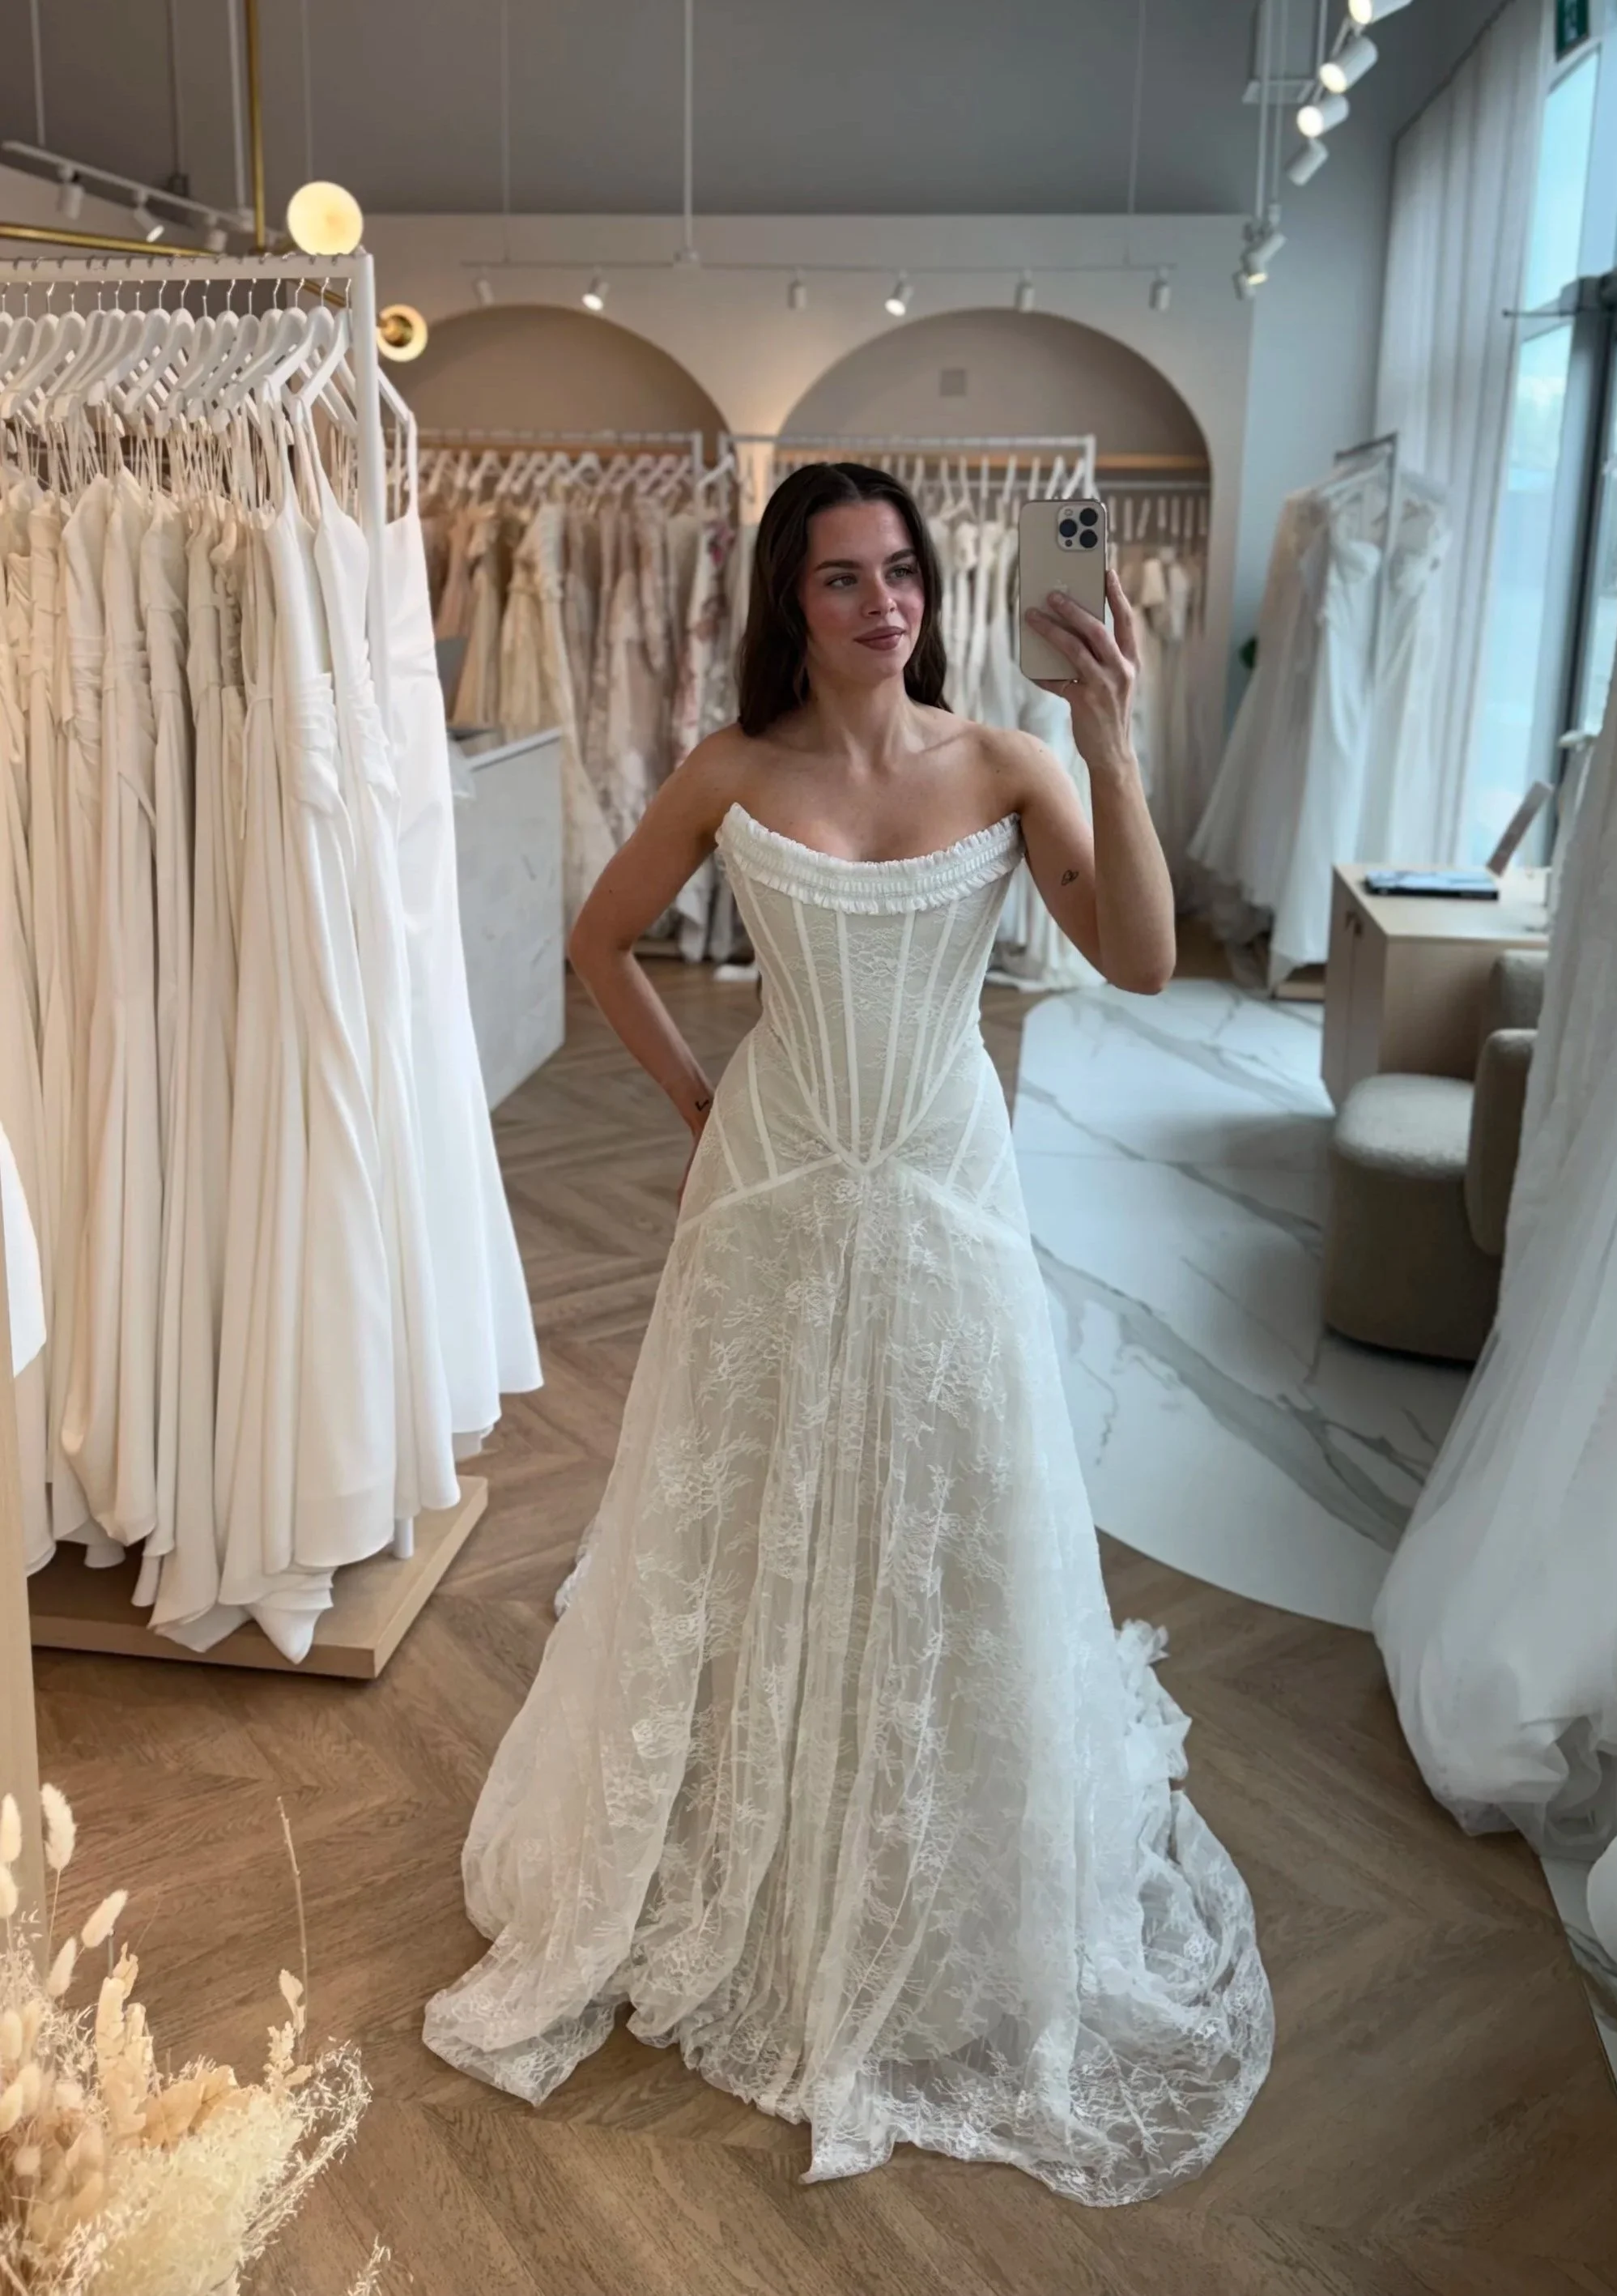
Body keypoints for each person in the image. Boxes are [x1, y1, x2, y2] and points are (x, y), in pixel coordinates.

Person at [423, 462, 1271, 2203]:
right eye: (841, 579)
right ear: (787, 604)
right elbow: (601, 938)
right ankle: (746, 1839)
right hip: (775, 1183)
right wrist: (698, 1103)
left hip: (948, 1183)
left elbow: (1139, 957)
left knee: (950, 1508)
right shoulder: (733, 772)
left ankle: (930, 1866)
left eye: (900, 573)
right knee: (746, 1505)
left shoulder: (1009, 761)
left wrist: (1109, 737)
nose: (884, 603)